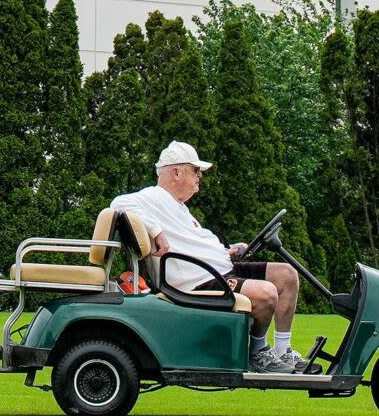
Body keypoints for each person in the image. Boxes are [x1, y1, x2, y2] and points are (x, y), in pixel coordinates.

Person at [109, 139, 306, 372]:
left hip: (216, 268)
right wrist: (156, 231)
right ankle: (258, 352)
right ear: (176, 172)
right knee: (266, 294)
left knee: (287, 275)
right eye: (195, 170)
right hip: (197, 280)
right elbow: (118, 203)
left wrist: (227, 250)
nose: (199, 176)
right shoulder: (154, 197)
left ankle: (284, 351)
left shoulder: (179, 207)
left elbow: (192, 244)